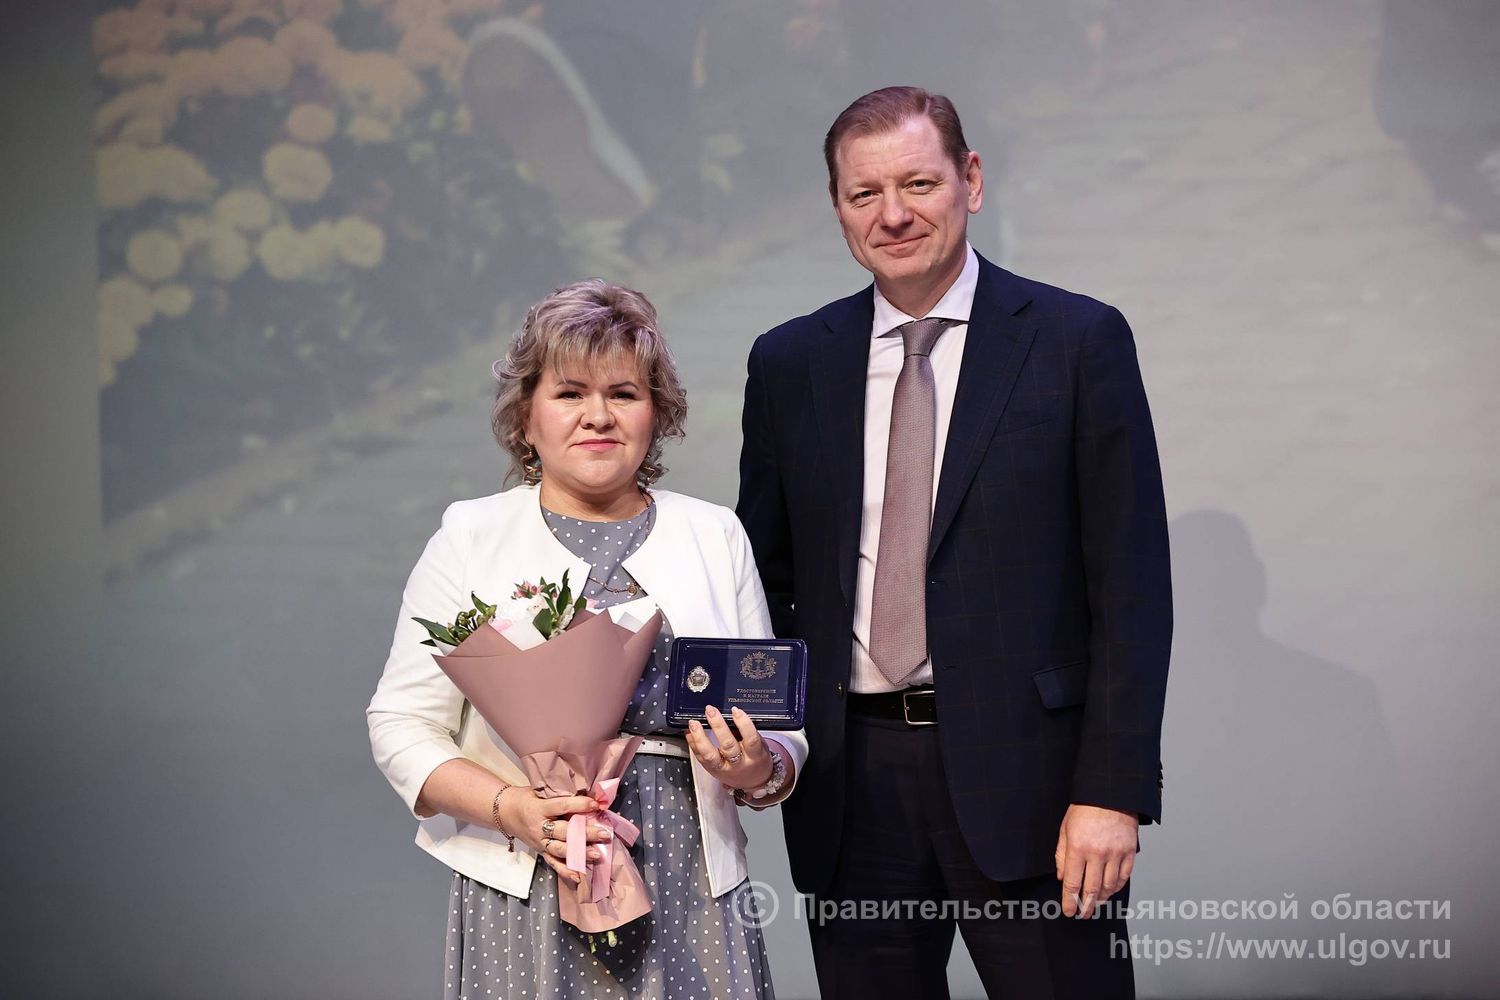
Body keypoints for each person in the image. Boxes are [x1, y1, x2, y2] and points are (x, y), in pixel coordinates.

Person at [736, 86, 1171, 998]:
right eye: (864, 195)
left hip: (1039, 788)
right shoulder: (788, 362)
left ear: (970, 180)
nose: (893, 214)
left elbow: (1130, 589)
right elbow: (767, 579)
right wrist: (770, 743)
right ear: (838, 208)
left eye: (918, 183)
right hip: (851, 792)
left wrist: (1113, 789)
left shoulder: (1075, 340)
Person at [369, 278, 807, 1000]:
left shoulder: (715, 535)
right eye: (570, 393)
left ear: (656, 413)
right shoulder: (470, 536)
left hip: (690, 875)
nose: (597, 416)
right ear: (526, 417)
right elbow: (401, 726)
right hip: (529, 876)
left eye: (624, 394)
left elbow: (777, 727)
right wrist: (515, 812)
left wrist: (758, 768)